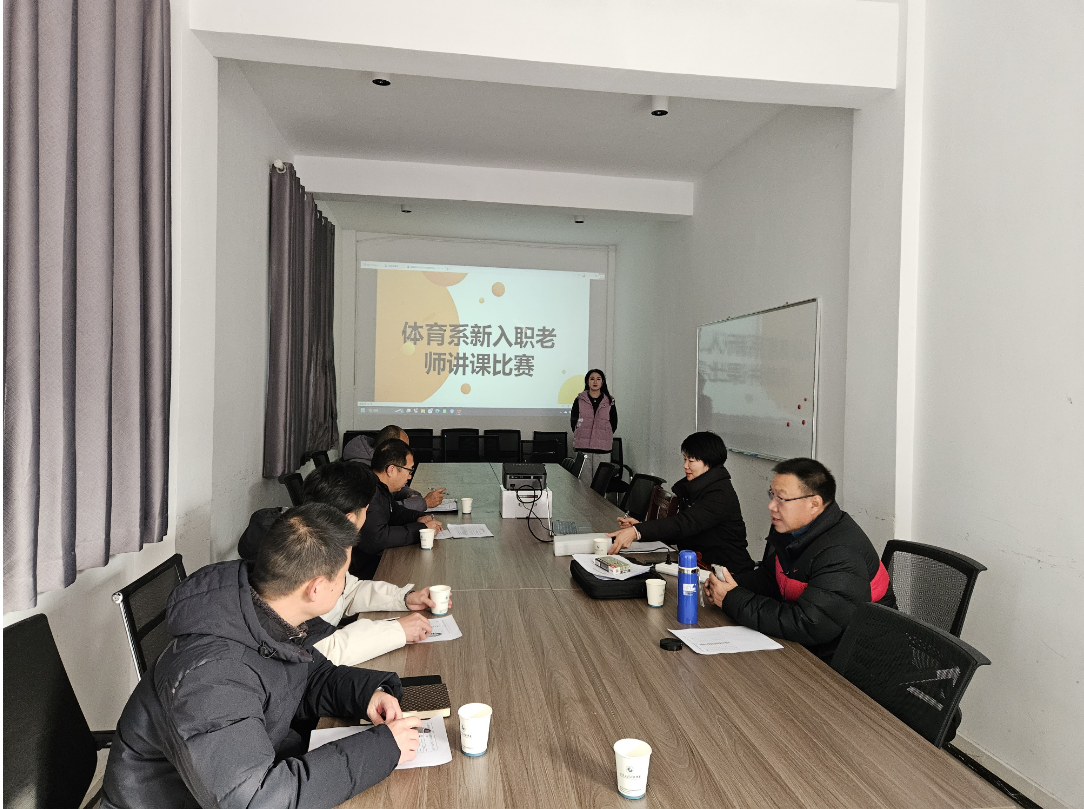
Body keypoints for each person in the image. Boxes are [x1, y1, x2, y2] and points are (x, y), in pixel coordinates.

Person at [101, 503, 422, 809]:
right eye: (343, 576)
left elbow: (308, 675)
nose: (344, 585)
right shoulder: (212, 679)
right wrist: (381, 748)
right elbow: (257, 800)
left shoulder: (264, 615)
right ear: (316, 588)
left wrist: (366, 694)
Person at [238, 461, 445, 664]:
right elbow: (313, 651)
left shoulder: (322, 539)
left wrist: (404, 597)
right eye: (367, 510)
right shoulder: (303, 556)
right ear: (350, 518)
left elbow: (348, 591)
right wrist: (396, 631)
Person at [704, 457, 896, 661]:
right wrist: (730, 585)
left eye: (781, 498)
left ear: (814, 504)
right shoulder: (794, 531)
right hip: (814, 649)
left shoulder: (840, 553)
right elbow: (771, 577)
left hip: (858, 663)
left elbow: (810, 623)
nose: (771, 505)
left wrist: (733, 599)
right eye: (772, 495)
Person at [607, 431, 753, 573]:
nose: (685, 465)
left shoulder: (720, 494)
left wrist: (637, 531)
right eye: (685, 459)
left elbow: (683, 524)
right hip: (700, 566)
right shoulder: (697, 487)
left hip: (727, 573)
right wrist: (641, 527)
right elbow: (681, 531)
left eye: (691, 461)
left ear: (709, 463)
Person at [352, 438, 442, 579]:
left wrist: (418, 517)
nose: (410, 476)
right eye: (409, 470)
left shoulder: (379, 486)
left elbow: (394, 512)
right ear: (391, 470)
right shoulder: (368, 492)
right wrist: (421, 529)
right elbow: (378, 538)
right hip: (364, 570)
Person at [343, 424, 445, 512]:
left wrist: (410, 494)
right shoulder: (360, 473)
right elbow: (382, 510)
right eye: (402, 449)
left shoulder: (376, 461)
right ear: (388, 447)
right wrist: (423, 503)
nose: (406, 453)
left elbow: (390, 489)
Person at [571, 369, 617, 482]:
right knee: (583, 484)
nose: (595, 382)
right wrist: (579, 432)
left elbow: (613, 422)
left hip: (603, 448)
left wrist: (604, 435)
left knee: (600, 483)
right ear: (587, 382)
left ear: (602, 382)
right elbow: (574, 420)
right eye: (592, 379)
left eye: (598, 379)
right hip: (583, 447)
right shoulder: (579, 400)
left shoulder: (609, 401)